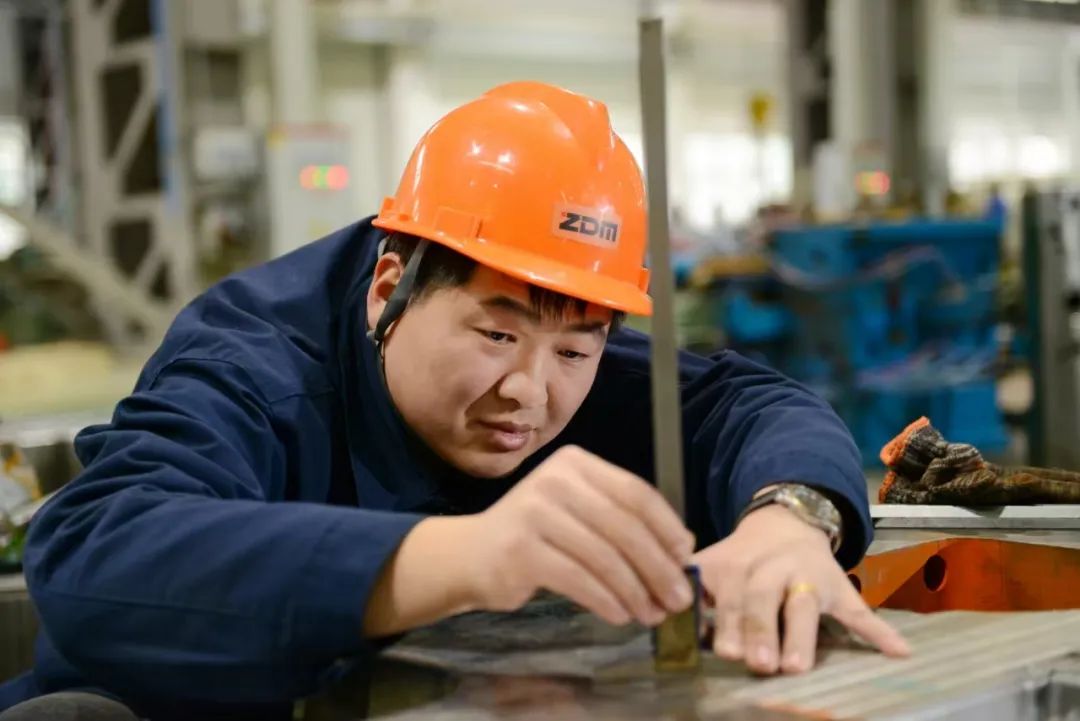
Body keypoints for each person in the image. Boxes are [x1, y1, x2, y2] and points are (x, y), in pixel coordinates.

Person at [0, 82, 908, 721]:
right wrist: (465, 555)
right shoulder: (257, 363)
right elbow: (95, 551)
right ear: (387, 289)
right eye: (495, 336)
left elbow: (743, 403)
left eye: (576, 348)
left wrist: (793, 518)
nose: (530, 391)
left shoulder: (566, 365)